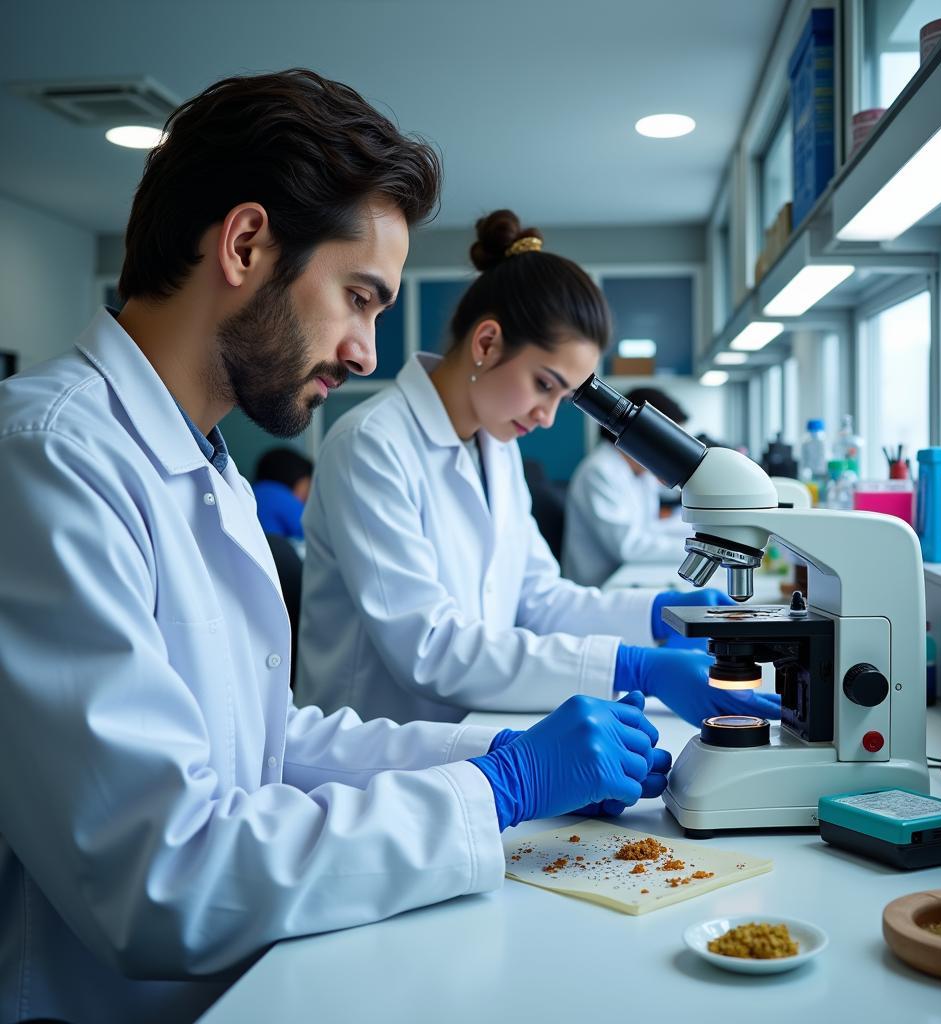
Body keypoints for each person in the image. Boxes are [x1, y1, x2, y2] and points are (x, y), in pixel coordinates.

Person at [0, 71, 674, 1024]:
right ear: (244, 244)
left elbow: (272, 744)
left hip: (252, 964)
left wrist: (505, 757)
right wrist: (500, 786)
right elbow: (161, 872)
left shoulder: (207, 468)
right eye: (358, 297)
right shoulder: (48, 459)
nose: (365, 350)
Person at [296, 210, 780, 729]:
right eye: (544, 384)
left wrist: (659, 615)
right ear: (486, 343)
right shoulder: (371, 444)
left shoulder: (496, 445)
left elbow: (538, 598)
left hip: (476, 726)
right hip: (374, 756)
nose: (547, 417)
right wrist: (631, 666)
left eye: (564, 396)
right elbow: (429, 647)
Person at [562, 386, 696, 587]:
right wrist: (698, 550)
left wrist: (702, 537)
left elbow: (650, 528)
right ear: (645, 434)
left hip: (627, 576)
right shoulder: (599, 471)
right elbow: (629, 546)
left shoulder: (641, 472)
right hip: (599, 587)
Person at [252, 445, 313, 540]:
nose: (309, 496)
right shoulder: (279, 496)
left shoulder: (254, 491)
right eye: (308, 486)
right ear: (295, 475)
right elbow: (314, 534)